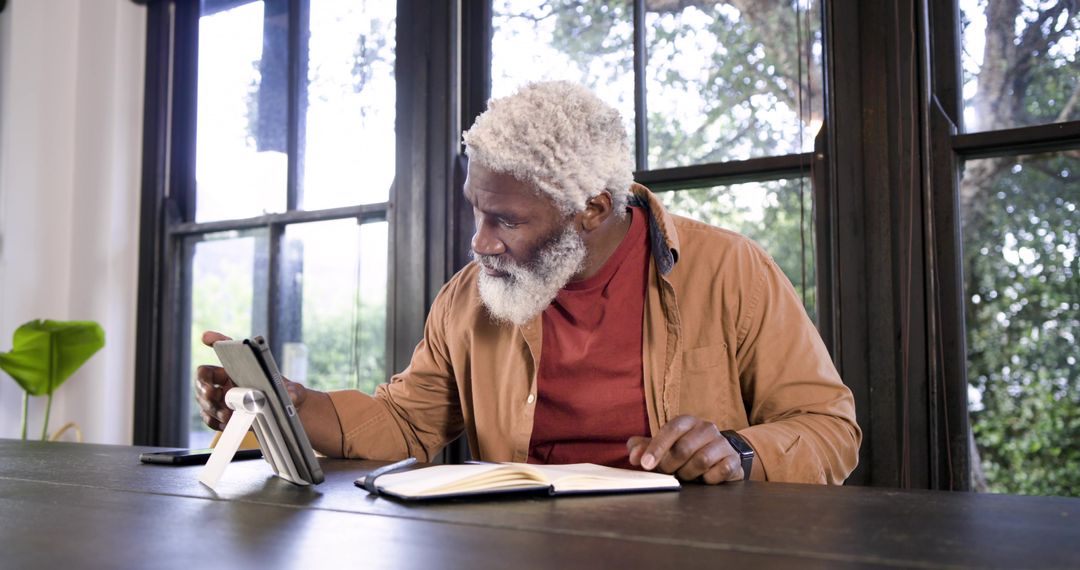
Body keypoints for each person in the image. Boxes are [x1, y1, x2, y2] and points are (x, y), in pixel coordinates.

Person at [198, 81, 860, 485]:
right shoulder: (469, 298)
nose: (480, 242)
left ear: (592, 209)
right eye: (476, 211)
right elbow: (405, 423)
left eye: (506, 221)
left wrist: (739, 451)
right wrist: (291, 405)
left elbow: (831, 430)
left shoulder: (732, 270)